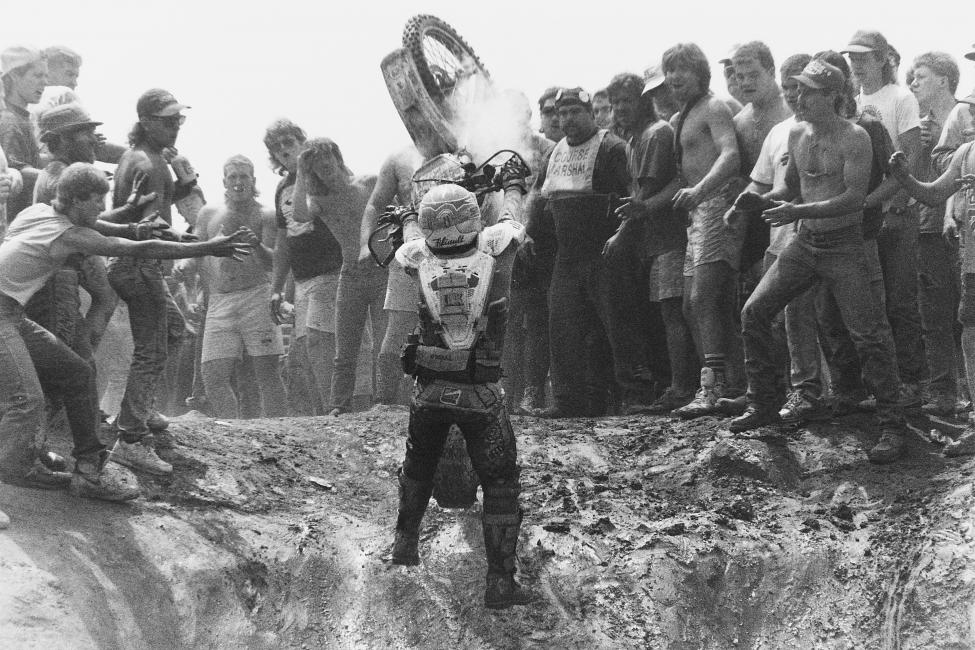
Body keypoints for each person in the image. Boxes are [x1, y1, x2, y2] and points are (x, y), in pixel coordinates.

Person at [0, 162, 252, 508]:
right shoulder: (69, 235)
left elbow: (103, 226)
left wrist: (138, 227)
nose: (102, 207)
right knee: (27, 400)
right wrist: (206, 247)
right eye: (96, 200)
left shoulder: (39, 212)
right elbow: (134, 248)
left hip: (13, 315)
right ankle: (13, 469)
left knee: (78, 373)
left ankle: (88, 470)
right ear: (76, 200)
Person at [731, 60, 908, 464]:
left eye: (809, 91)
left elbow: (853, 198)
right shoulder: (797, 133)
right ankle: (763, 404)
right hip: (806, 242)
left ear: (833, 96)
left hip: (844, 245)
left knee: (869, 334)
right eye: (797, 90)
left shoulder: (855, 137)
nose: (799, 98)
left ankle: (892, 424)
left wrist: (796, 211)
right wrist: (759, 200)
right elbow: (790, 188)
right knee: (754, 311)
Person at [390, 183, 535, 610]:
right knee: (500, 484)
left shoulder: (416, 256)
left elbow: (410, 239)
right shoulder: (497, 247)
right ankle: (500, 583)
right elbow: (512, 220)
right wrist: (512, 186)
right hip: (480, 393)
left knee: (418, 465)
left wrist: (407, 217)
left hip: (430, 388)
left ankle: (404, 544)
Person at [107, 88, 199, 476]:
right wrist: (192, 243)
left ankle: (139, 410)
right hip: (139, 263)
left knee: (174, 331)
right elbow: (149, 224)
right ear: (146, 122)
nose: (175, 126)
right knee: (153, 350)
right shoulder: (151, 162)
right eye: (167, 120)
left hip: (133, 262)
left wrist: (184, 184)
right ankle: (130, 438)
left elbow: (149, 205)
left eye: (178, 119)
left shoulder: (142, 157)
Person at [525, 87, 632, 417]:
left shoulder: (612, 147)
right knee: (562, 326)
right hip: (567, 254)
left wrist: (623, 236)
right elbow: (538, 196)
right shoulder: (554, 153)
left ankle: (633, 396)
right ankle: (567, 401)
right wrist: (528, 232)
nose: (568, 119)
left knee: (617, 326)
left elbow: (634, 196)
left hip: (604, 250)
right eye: (562, 113)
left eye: (575, 112)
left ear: (590, 113)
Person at [886, 91, 975, 455]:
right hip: (972, 260)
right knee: (970, 326)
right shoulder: (966, 153)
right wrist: (904, 178)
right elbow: (935, 194)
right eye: (972, 109)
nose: (972, 115)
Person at [661, 43, 746, 420]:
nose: (674, 77)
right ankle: (723, 383)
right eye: (669, 70)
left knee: (704, 299)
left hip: (716, 205)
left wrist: (700, 190)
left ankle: (715, 388)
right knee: (690, 304)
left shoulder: (714, 107)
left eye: (682, 69)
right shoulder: (684, 113)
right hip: (697, 213)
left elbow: (731, 155)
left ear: (700, 72)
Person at [843, 30, 927, 406]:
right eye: (852, 58)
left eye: (863, 57)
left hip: (895, 212)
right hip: (863, 216)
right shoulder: (853, 101)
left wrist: (895, 203)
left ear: (882, 58)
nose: (856, 64)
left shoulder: (900, 97)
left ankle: (912, 383)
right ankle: (881, 384)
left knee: (900, 301)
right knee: (870, 306)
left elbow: (910, 157)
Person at [606, 73, 696, 414]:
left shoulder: (655, 134)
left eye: (627, 101)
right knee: (663, 315)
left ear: (644, 101)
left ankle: (682, 389)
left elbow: (644, 196)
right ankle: (674, 385)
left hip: (669, 238)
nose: (619, 109)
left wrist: (621, 234)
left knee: (674, 313)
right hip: (654, 242)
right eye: (615, 103)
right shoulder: (634, 140)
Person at [290, 137, 381, 415]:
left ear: (337, 158)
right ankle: (339, 406)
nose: (324, 167)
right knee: (345, 347)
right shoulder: (320, 200)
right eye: (316, 165)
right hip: (350, 273)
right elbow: (298, 215)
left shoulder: (368, 183)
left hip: (382, 268)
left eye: (326, 159)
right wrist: (300, 170)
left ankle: (386, 403)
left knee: (384, 344)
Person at [194, 155, 285, 418]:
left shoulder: (266, 214)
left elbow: (274, 262)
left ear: (253, 180)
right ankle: (232, 430)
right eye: (232, 177)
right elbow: (196, 254)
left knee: (268, 372)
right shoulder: (208, 214)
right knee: (212, 375)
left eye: (243, 176)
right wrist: (200, 290)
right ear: (224, 181)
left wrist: (256, 243)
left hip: (256, 296)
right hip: (220, 299)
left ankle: (280, 431)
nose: (238, 182)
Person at [909, 52, 964, 416]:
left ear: (944, 80)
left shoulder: (966, 114)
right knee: (934, 313)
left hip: (964, 224)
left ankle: (967, 393)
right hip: (928, 224)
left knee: (967, 313)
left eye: (921, 76)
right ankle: (944, 392)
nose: (913, 83)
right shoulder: (917, 124)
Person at [1, 46, 47, 220]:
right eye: (37, 75)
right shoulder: (9, 120)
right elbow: (17, 169)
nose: (44, 82)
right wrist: (61, 177)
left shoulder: (22, 117)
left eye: (46, 76)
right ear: (14, 76)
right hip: (15, 218)